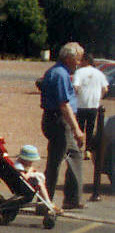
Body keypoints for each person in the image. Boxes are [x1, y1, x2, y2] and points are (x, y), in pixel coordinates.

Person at [41, 42, 88, 210]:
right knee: (55, 162)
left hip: (56, 119)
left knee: (74, 155)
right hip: (59, 120)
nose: (79, 63)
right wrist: (77, 129)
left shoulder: (56, 72)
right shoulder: (60, 74)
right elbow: (64, 104)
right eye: (78, 59)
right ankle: (46, 201)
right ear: (69, 58)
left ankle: (72, 198)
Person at [72, 51, 107, 203]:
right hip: (94, 105)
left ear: (85, 60)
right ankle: (87, 150)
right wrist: (99, 97)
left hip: (81, 104)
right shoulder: (99, 73)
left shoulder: (80, 71)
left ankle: (78, 148)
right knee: (91, 128)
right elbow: (105, 88)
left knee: (79, 127)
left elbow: (76, 87)